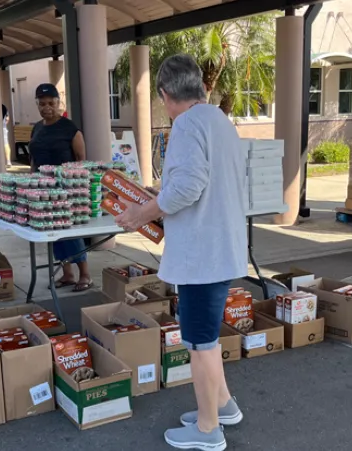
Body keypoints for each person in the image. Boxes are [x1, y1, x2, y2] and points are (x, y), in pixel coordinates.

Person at [114, 55, 247, 451]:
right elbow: (196, 183)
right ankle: (222, 406)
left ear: (165, 94)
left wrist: (142, 212)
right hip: (220, 247)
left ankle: (208, 430)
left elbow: (188, 187)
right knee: (205, 339)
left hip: (202, 256)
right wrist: (158, 198)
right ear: (200, 87)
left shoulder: (187, 124)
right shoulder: (218, 121)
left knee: (199, 343)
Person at [29, 83, 93, 292]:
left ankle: (85, 274)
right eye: (42, 103)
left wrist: (74, 184)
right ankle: (67, 274)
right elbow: (34, 159)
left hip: (66, 190)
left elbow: (81, 159)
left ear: (58, 103)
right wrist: (33, 182)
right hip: (44, 190)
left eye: (51, 103)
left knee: (71, 233)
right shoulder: (37, 128)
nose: (46, 107)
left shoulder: (70, 128)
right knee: (54, 233)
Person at [2, 104, 12, 169]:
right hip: (3, 128)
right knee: (6, 144)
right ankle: (8, 161)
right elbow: (7, 118)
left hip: (0, 128)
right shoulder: (3, 106)